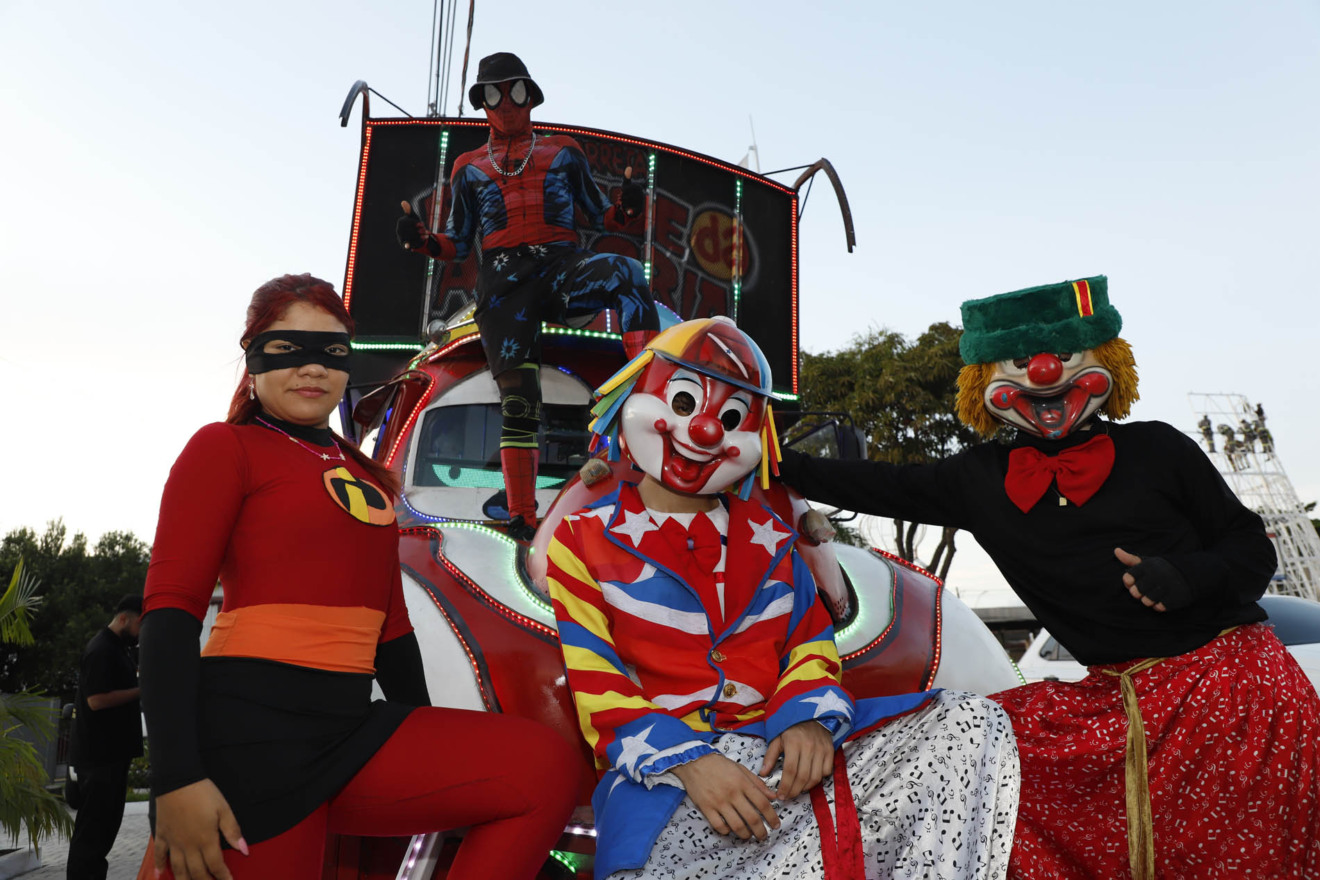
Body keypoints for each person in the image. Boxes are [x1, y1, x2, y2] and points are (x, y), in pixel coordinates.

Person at [776, 276, 1320, 879]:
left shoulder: (1160, 449)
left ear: (1105, 362)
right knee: (970, 761)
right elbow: (872, 484)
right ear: (985, 381)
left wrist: (1190, 577)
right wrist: (763, 454)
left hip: (1233, 693)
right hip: (1112, 698)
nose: (1042, 374)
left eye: (1064, 358)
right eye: (1020, 362)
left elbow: (1250, 547)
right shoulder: (977, 479)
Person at [138, 273, 578, 880]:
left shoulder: (366, 473)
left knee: (543, 769)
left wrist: (428, 733)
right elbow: (169, 614)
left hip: (352, 731)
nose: (311, 369)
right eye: (287, 350)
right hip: (251, 740)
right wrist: (176, 777)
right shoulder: (223, 449)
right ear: (253, 358)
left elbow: (391, 625)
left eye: (332, 352)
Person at [546, 318, 1019, 879]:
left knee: (972, 721)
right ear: (636, 396)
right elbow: (598, 684)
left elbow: (811, 647)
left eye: (730, 419)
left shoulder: (773, 539)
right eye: (680, 401)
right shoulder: (581, 539)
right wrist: (692, 762)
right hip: (666, 784)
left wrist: (808, 720)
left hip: (781, 758)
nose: (702, 432)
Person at [396, 51, 660, 541]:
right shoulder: (468, 168)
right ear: (482, 103)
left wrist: (628, 204)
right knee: (518, 401)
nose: (506, 105)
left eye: (515, 91)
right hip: (502, 281)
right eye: (494, 94)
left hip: (560, 264)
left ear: (531, 96)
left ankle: (650, 389)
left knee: (626, 273)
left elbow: (605, 218)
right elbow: (457, 240)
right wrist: (422, 240)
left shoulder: (564, 152)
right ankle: (522, 513)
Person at [67, 594, 144, 880]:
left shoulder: (120, 649)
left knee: (103, 834)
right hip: (99, 758)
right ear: (124, 618)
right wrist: (141, 691)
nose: (141, 633)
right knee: (92, 835)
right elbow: (96, 700)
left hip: (112, 755)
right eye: (140, 624)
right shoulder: (101, 649)